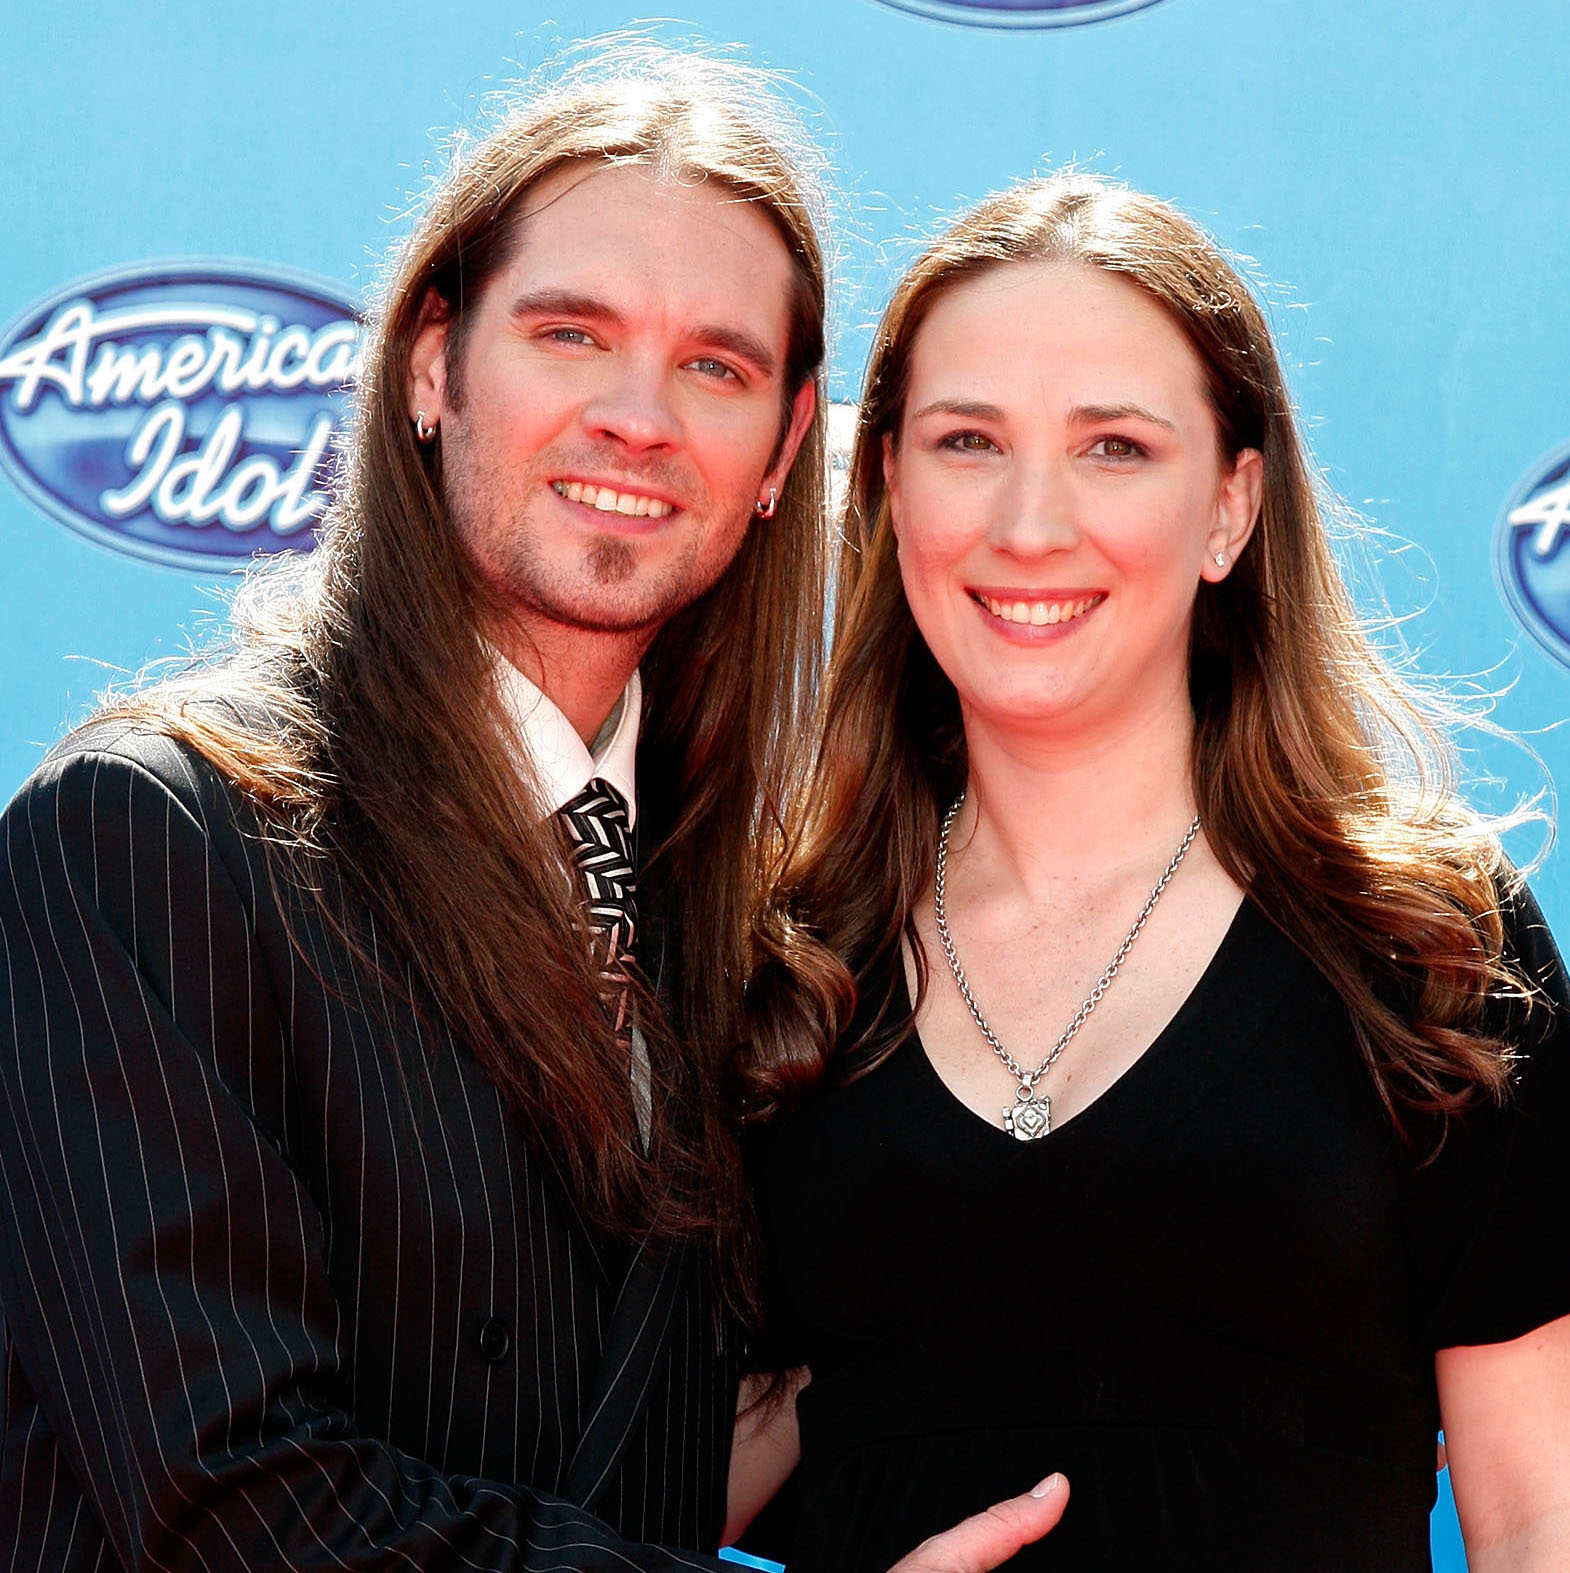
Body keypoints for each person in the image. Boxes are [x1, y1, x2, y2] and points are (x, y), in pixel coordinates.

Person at [0, 46, 1069, 1573]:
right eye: (571, 334)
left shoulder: (729, 916)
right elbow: (227, 1497)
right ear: (431, 364)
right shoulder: (149, 838)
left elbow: (701, 1430)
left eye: (714, 364)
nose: (638, 416)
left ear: (783, 448)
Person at [738, 173, 1570, 1570]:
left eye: (1113, 447)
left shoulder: (1425, 946)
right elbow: (643, 1494)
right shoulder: (777, 961)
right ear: (882, 482)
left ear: (1230, 508)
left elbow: (1539, 1511)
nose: (1028, 522)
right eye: (965, 440)